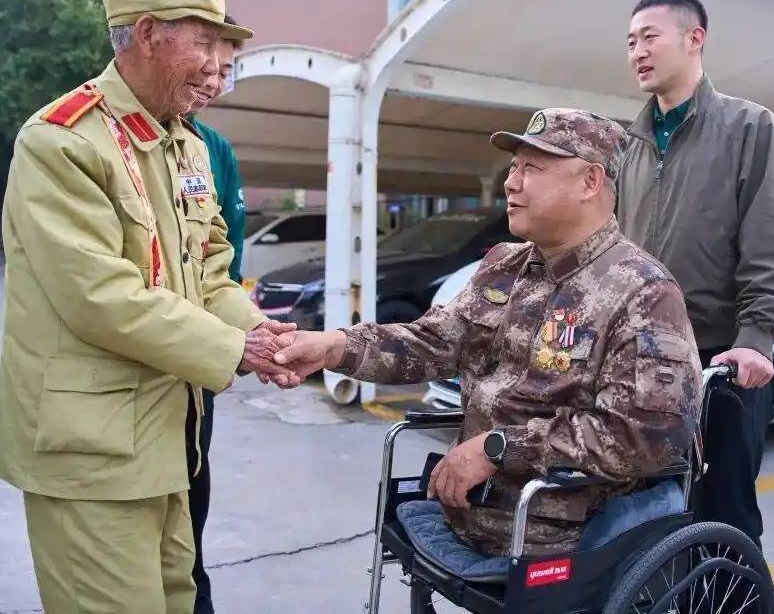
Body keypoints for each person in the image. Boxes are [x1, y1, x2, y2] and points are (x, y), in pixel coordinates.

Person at [0, 0, 299, 614]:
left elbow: (209, 270)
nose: (216, 65)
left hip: (167, 444)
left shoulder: (186, 146)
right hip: (92, 458)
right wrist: (236, 350)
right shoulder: (62, 141)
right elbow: (101, 298)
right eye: (205, 42)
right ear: (149, 34)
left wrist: (257, 330)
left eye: (223, 47)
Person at [268, 109, 702, 558]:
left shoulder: (643, 292)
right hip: (465, 511)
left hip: (554, 539)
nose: (511, 183)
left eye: (532, 168)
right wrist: (332, 347)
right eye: (513, 168)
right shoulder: (503, 266)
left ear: (590, 182)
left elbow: (647, 436)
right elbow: (431, 343)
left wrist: (500, 448)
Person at [616, 0, 774, 548]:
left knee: (723, 516)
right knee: (642, 512)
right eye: (630, 41)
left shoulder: (750, 128)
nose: (637, 51)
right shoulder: (630, 145)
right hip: (638, 361)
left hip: (720, 363)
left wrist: (756, 338)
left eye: (649, 37)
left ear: (694, 38)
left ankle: (733, 592)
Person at [181, 14, 247, 614]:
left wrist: (253, 332)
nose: (213, 79)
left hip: (201, 359)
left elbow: (219, 261)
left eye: (225, 70)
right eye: (206, 60)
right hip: (142, 363)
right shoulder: (85, 138)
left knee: (191, 489)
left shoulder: (211, 149)